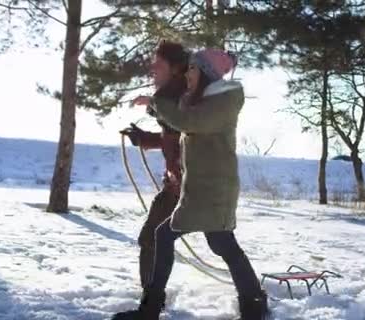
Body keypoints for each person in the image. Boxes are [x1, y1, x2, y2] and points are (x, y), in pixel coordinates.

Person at [113, 49, 268, 320]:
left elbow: (188, 122)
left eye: (193, 69)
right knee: (222, 245)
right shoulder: (204, 102)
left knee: (170, 236)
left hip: (213, 190)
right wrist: (152, 109)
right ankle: (254, 304)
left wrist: (155, 101)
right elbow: (179, 124)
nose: (188, 74)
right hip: (201, 190)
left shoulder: (223, 102)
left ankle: (149, 309)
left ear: (207, 73)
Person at [119, 40, 189, 289]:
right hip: (179, 185)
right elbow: (173, 137)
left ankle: (150, 305)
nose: (153, 69)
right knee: (153, 238)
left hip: (191, 187)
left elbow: (188, 135)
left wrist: (153, 103)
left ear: (175, 68)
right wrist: (144, 139)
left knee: (153, 238)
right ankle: (150, 303)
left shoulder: (182, 97)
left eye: (159, 64)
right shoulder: (172, 96)